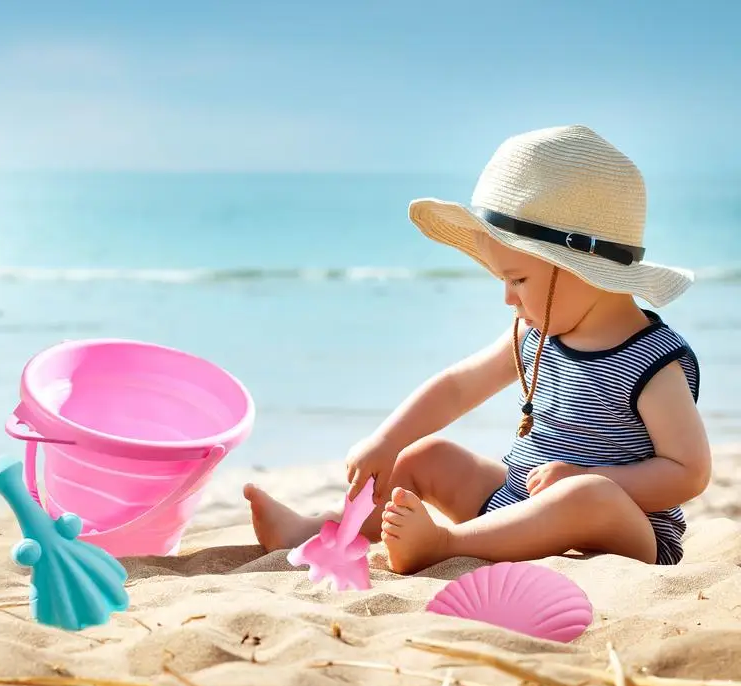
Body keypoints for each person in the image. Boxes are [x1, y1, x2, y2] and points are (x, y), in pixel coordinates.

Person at [243, 124, 712, 574]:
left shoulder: (652, 360)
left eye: (518, 280)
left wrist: (594, 481)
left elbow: (689, 472)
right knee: (424, 457)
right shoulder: (535, 334)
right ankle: (330, 532)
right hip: (516, 504)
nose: (508, 298)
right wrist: (387, 441)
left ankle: (448, 544)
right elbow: (456, 388)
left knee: (588, 495)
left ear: (582, 267)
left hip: (620, 528)